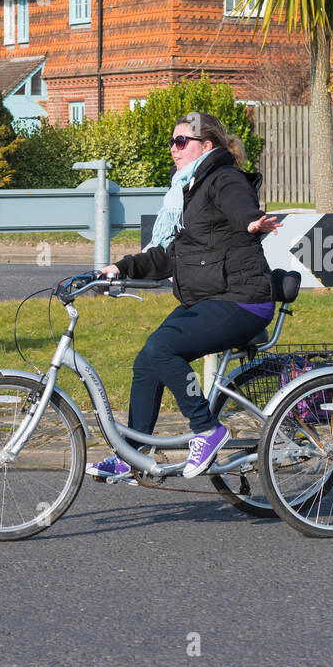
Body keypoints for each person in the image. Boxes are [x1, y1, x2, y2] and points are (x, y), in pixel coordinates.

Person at [86, 111, 283, 482]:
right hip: (211, 299)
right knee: (148, 359)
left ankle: (207, 429)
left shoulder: (223, 178)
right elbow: (168, 257)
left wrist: (251, 220)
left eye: (181, 142)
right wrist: (120, 268)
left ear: (205, 146)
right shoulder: (189, 195)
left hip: (242, 300)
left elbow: (240, 202)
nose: (173, 150)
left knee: (163, 347)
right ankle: (134, 454)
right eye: (172, 143)